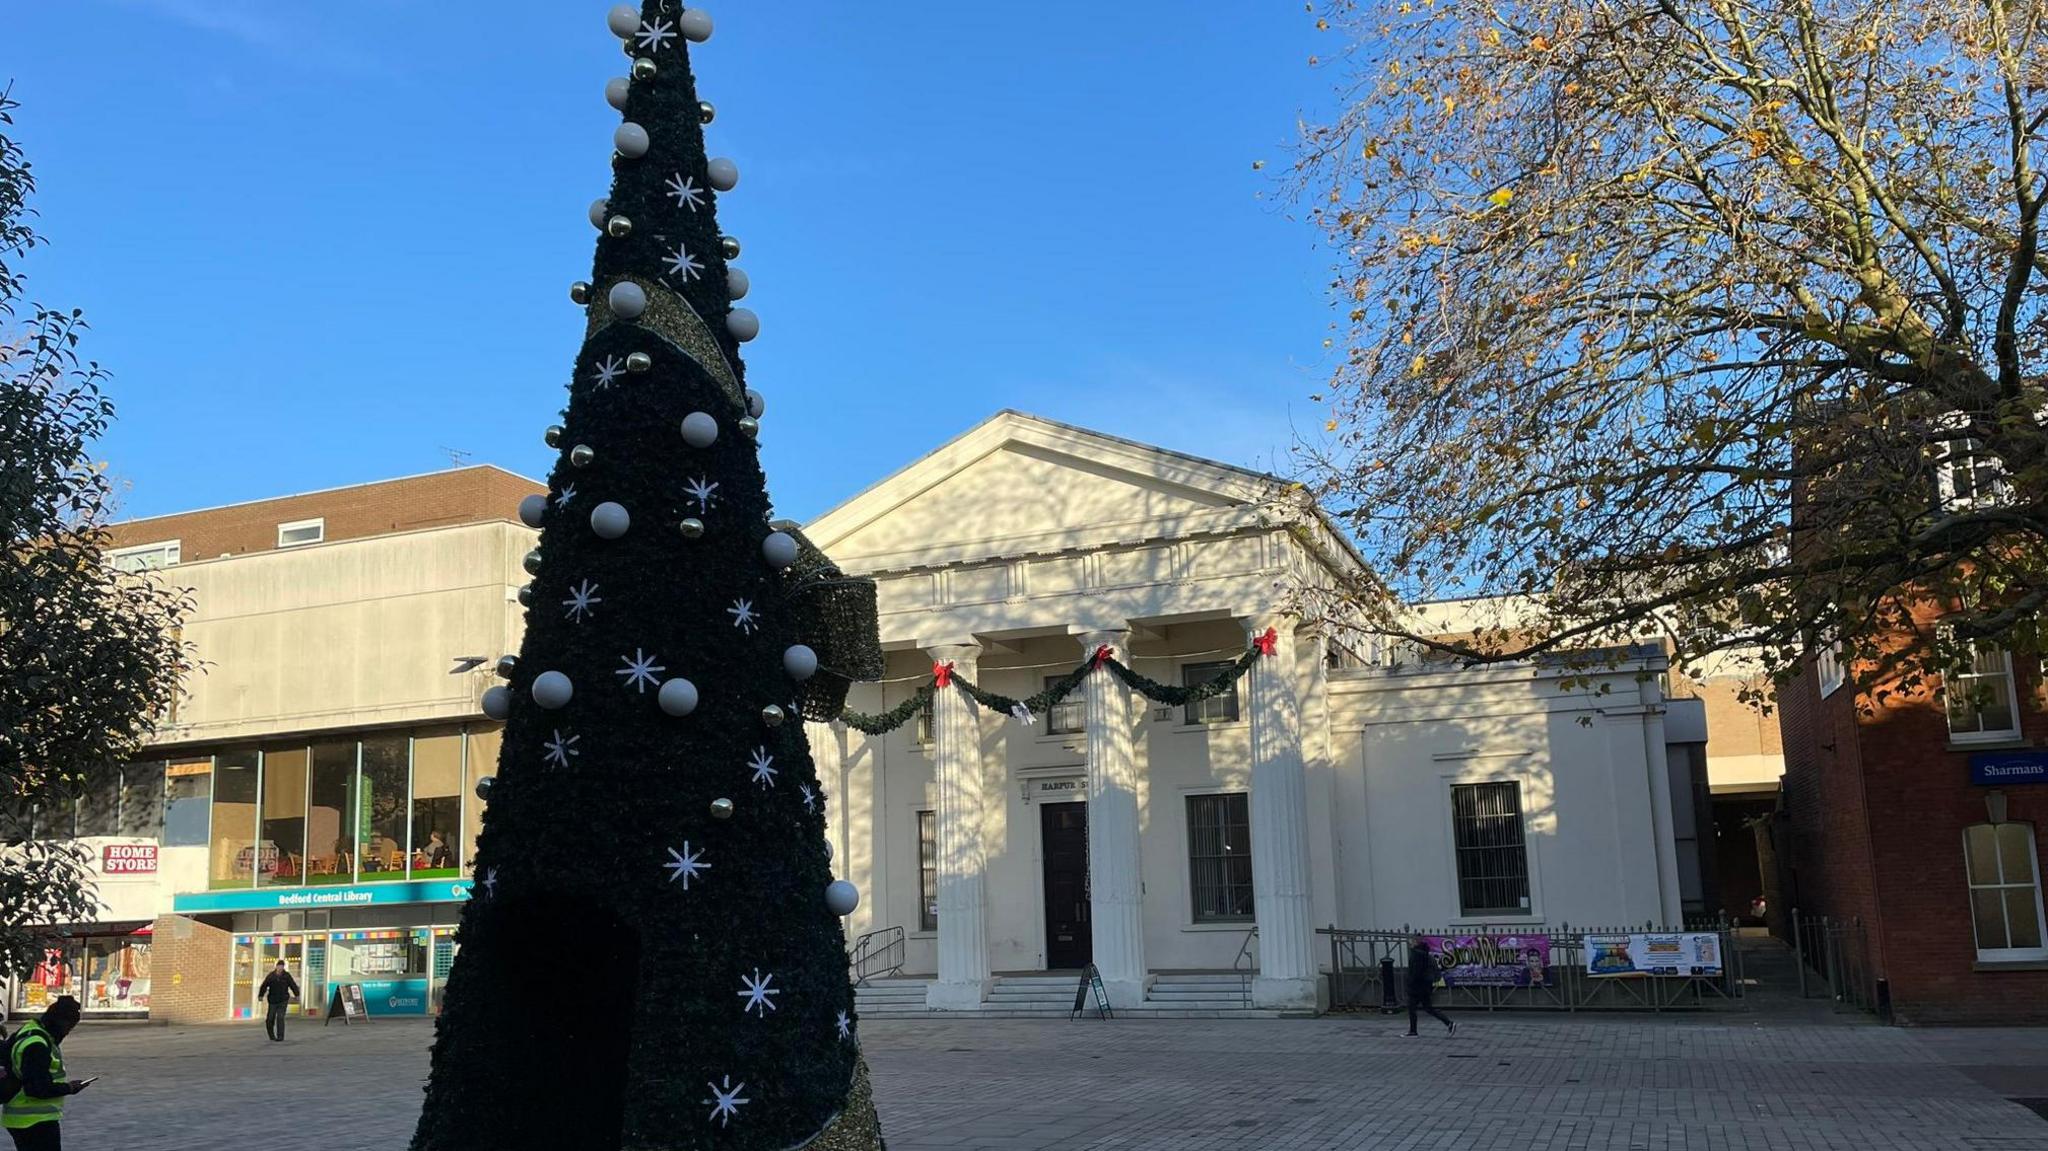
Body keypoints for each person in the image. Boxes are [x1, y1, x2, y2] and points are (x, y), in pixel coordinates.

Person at [4, 995, 89, 1151]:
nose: (67, 1033)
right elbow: (37, 1088)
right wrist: (69, 1088)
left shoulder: (29, 1031)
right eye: (68, 1027)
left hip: (19, 1117)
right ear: (59, 1022)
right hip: (34, 1120)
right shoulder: (38, 1045)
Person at [1405, 934, 1456, 1037]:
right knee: (1428, 1008)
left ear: (1415, 942)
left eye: (1411, 941)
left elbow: (1415, 972)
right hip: (1425, 985)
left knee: (1412, 1007)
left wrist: (1410, 983)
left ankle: (1413, 1031)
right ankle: (1448, 1023)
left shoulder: (1416, 954)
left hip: (1417, 986)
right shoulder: (1426, 953)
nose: (1409, 943)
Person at [256, 961, 299, 1042]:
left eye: (282, 966)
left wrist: (297, 994)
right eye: (279, 966)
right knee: (270, 1018)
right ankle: (271, 1035)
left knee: (280, 1017)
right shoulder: (271, 976)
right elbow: (264, 985)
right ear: (276, 966)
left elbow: (293, 985)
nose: (280, 968)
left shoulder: (286, 976)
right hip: (272, 1000)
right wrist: (261, 995)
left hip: (283, 1000)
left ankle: (280, 1036)